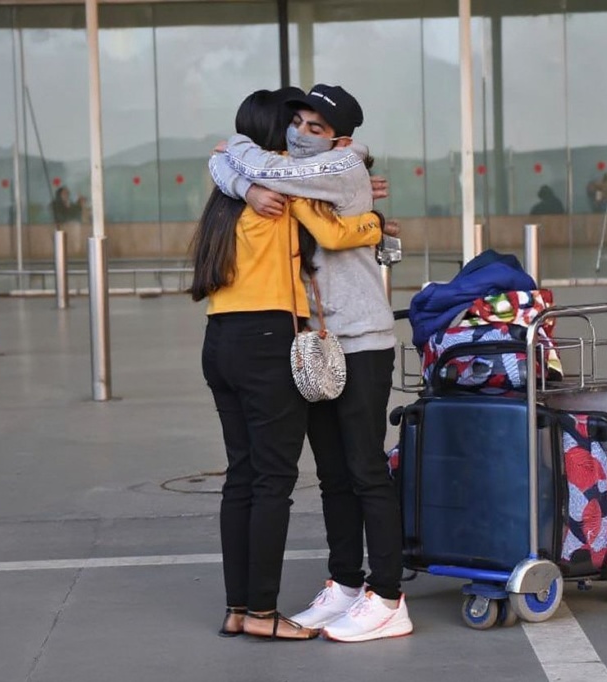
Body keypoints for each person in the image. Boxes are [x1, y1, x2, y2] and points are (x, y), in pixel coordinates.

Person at [210, 83, 412, 643]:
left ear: (341, 140)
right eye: (297, 122)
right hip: (317, 343)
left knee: (365, 469)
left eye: (315, 128)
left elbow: (290, 195)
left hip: (362, 339)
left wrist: (236, 160)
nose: (301, 133)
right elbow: (241, 169)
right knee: (332, 475)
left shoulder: (341, 165)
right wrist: (240, 174)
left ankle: (388, 596)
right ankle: (345, 584)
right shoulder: (302, 172)